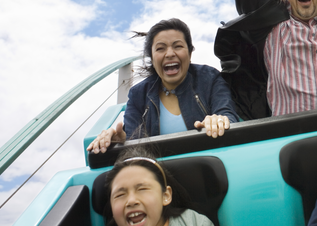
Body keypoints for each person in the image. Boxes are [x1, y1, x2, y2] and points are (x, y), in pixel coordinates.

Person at [88, 18, 239, 154]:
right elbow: (134, 143)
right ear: (152, 58)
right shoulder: (138, 94)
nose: (170, 53)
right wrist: (120, 141)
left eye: (178, 46)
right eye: (160, 48)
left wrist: (219, 121)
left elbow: (228, 116)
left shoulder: (210, 78)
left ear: (190, 53)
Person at [98, 147, 221, 226]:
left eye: (142, 189)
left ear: (166, 196)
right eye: (120, 195)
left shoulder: (195, 225)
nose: (131, 201)